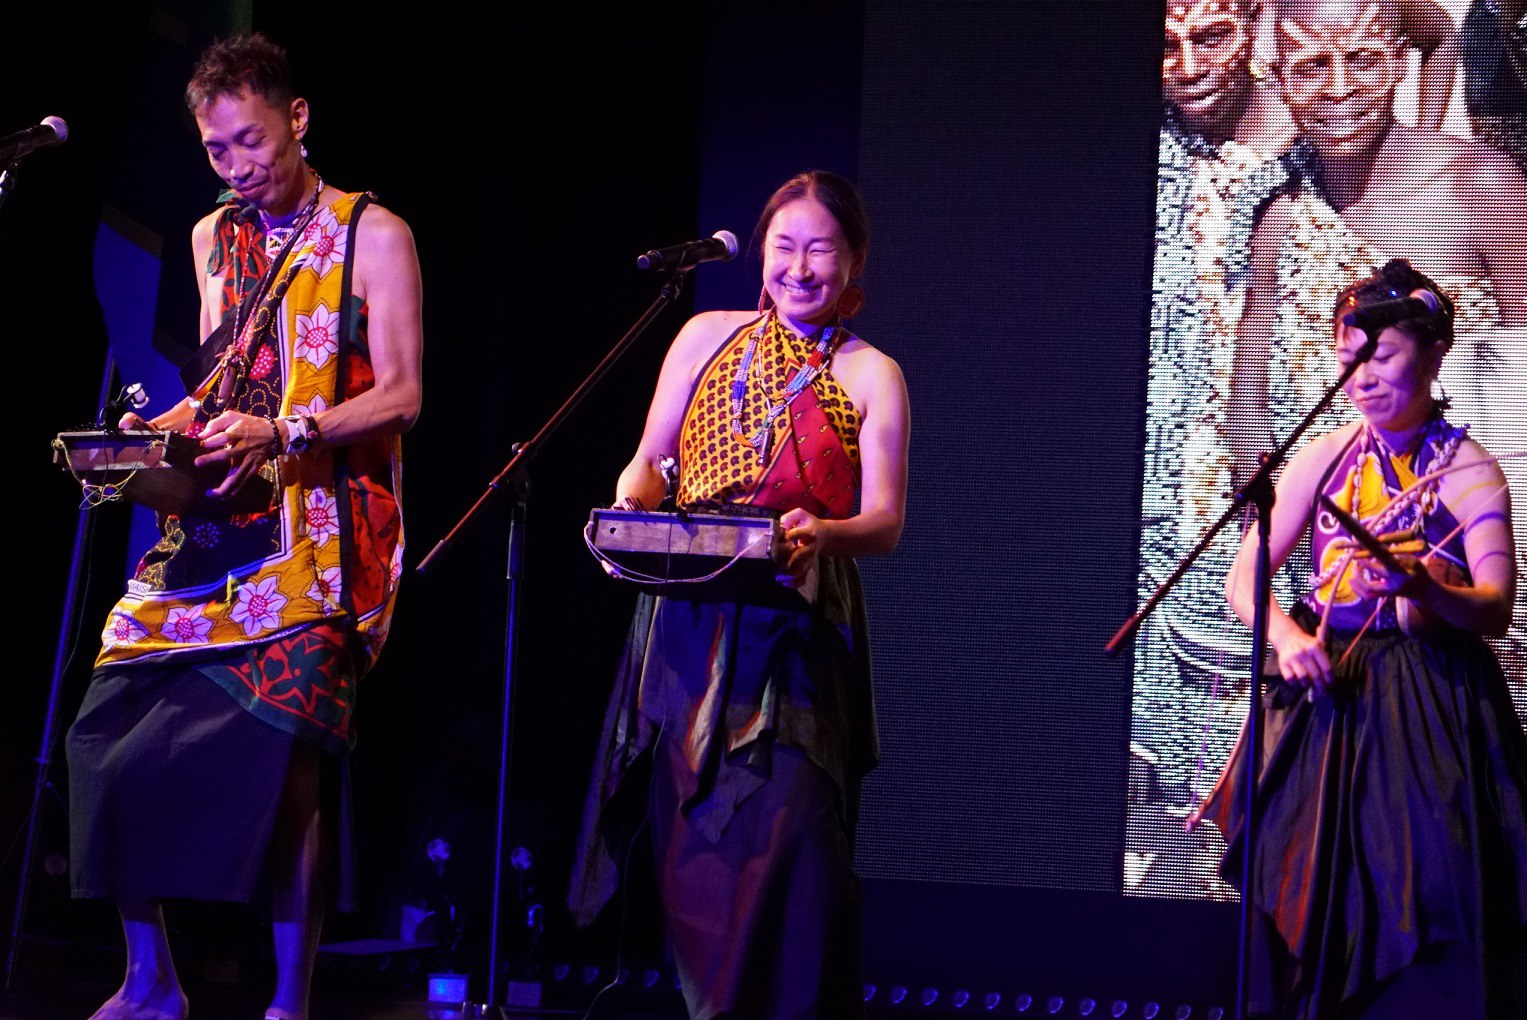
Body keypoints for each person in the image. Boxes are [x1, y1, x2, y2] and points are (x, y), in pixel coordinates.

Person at [65, 33, 423, 1020]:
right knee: (103, 728)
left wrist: (289, 429)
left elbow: (403, 396)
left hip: (323, 530)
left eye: (252, 141)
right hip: (229, 519)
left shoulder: (372, 234)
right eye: (217, 150)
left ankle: (288, 1003)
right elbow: (227, 379)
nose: (237, 166)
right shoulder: (210, 238)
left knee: (288, 760)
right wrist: (152, 438)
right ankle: (150, 981)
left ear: (297, 119)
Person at [1131, 0, 1458, 899]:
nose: (1189, 63)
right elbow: (1239, 361)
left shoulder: (1338, 145)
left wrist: (1428, 119)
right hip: (1259, 447)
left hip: (1394, 471)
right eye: (1168, 44)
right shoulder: (1225, 175)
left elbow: (1432, 26)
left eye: (1212, 37)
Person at [568, 170, 909, 1018]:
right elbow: (648, 463)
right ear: (760, 254)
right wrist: (631, 506)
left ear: (854, 259)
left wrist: (822, 533)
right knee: (696, 856)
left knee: (794, 842)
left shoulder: (873, 374)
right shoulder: (703, 336)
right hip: (688, 625)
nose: (799, 267)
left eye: (819, 250)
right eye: (783, 247)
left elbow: (885, 522)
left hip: (794, 634)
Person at [1201, 260, 1527, 1017]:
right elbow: (1243, 579)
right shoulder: (1326, 455)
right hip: (1330, 701)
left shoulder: (1469, 471)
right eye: (1350, 360)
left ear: (1434, 355)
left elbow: (1496, 608)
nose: (1363, 377)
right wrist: (1286, 635)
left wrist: (1424, 589)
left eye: (1381, 357)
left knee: (1431, 884)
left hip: (1429, 704)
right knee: (1311, 898)